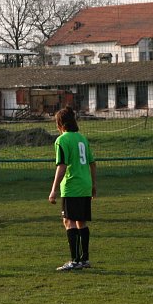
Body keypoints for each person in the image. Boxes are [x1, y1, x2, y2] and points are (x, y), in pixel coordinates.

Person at [49, 106, 97, 271]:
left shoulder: (62, 140)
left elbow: (62, 166)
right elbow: (92, 163)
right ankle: (85, 259)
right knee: (81, 221)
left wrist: (54, 189)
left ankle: (75, 261)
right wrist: (93, 185)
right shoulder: (82, 138)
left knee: (68, 221)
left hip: (72, 185)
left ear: (60, 124)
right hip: (85, 184)